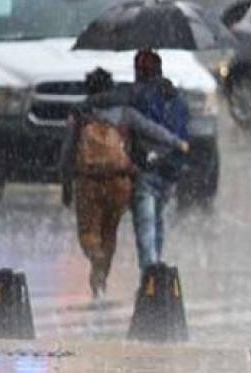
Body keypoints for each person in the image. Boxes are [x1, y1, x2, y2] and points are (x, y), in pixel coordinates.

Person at [59, 67, 189, 298]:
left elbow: (68, 151)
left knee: (89, 232)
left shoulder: (80, 113)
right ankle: (101, 277)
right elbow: (151, 130)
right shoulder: (125, 112)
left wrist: (66, 183)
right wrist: (177, 142)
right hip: (120, 181)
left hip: (89, 182)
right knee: (110, 232)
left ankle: (96, 261)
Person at [128, 49, 189, 272]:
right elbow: (183, 133)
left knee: (146, 225)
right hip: (171, 170)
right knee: (159, 220)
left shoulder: (137, 98)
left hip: (147, 169)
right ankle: (157, 271)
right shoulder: (177, 99)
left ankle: (150, 275)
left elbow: (137, 129)